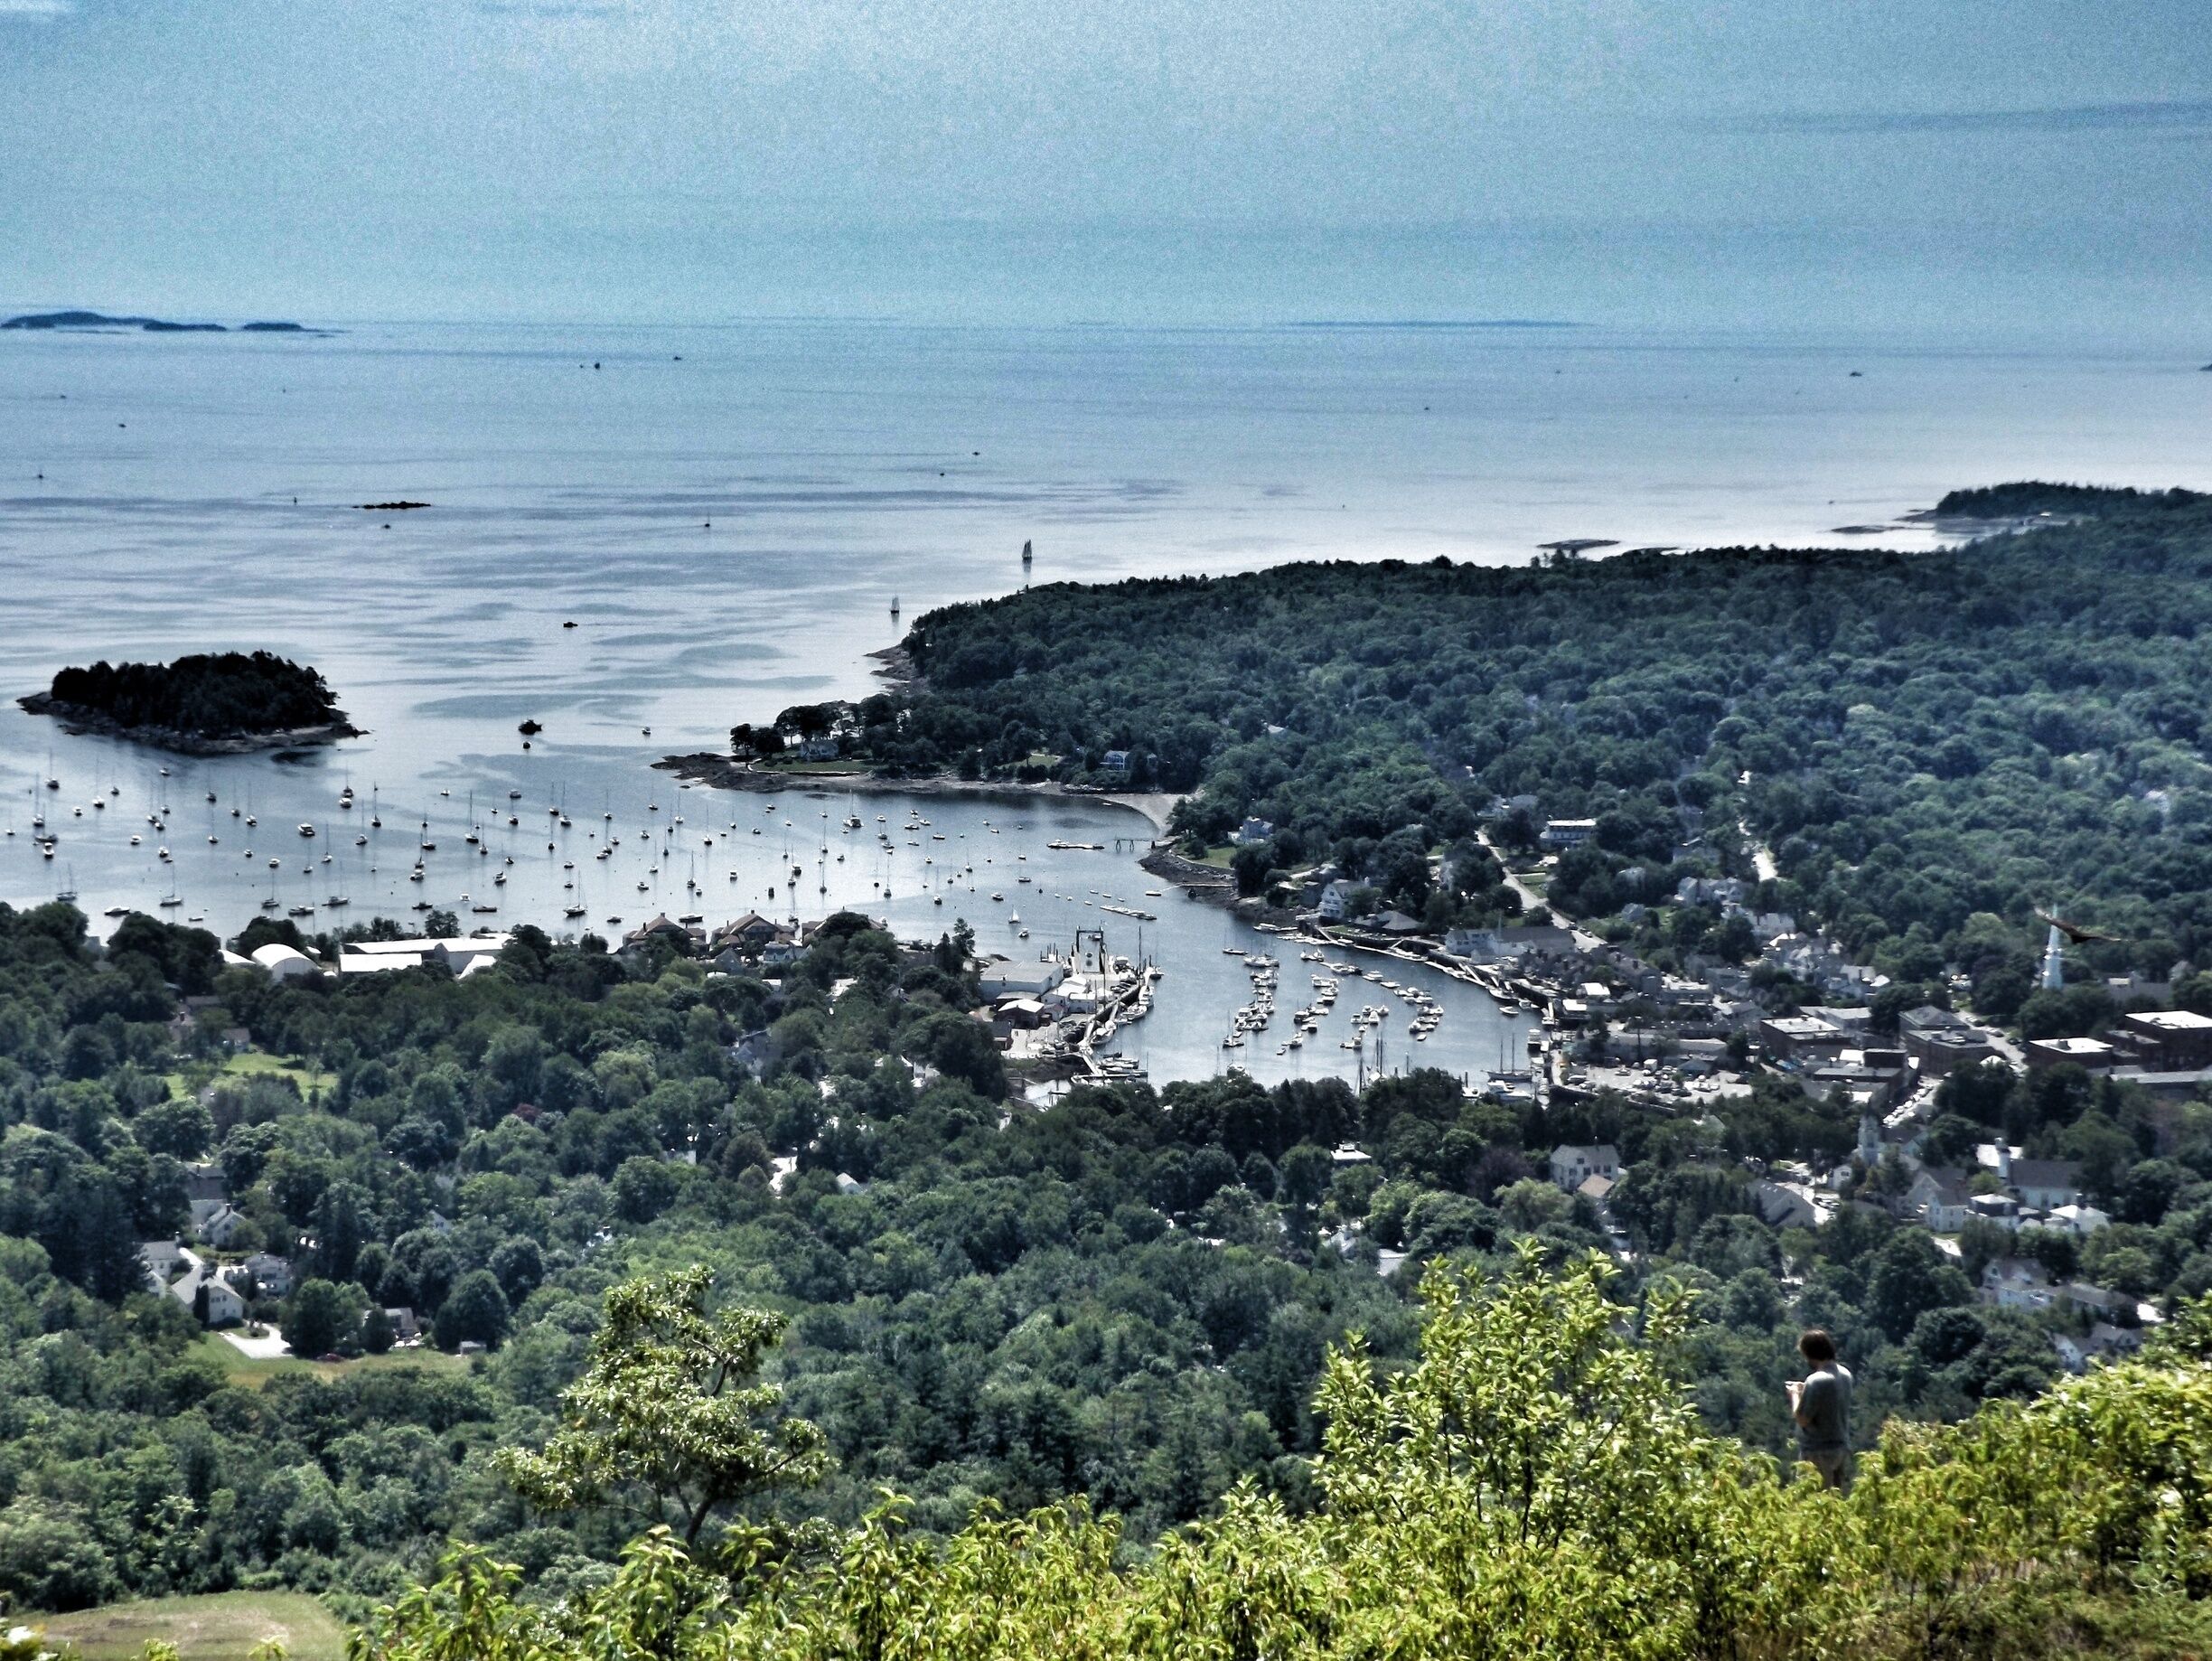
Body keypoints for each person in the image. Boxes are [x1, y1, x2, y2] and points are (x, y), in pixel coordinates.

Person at [1786, 1328, 1853, 1491]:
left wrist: (1795, 1394)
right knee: (1835, 1501)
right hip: (1840, 1448)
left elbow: (1802, 1418)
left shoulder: (1815, 1380)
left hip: (1818, 1451)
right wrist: (1806, 1392)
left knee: (1814, 1501)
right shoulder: (1845, 1375)